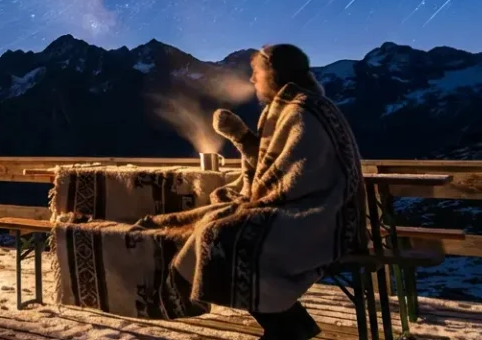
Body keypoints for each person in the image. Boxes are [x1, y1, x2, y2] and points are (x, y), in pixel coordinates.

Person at [142, 44, 364, 340]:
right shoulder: (285, 109)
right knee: (219, 228)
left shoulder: (303, 112)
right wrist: (241, 136)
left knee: (223, 236)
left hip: (322, 217)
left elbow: (293, 178)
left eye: (257, 72)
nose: (252, 80)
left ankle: (286, 327)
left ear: (273, 73)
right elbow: (272, 167)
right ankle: (286, 323)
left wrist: (250, 199)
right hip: (301, 208)